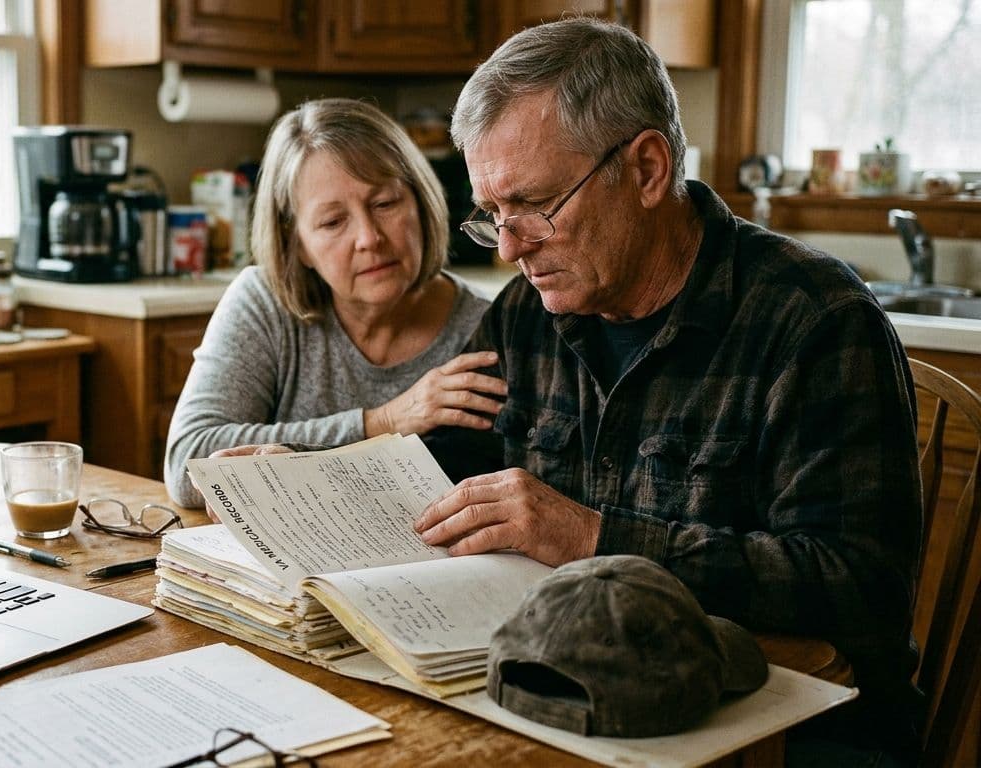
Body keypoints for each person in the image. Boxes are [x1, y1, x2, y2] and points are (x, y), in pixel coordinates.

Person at [407, 17, 922, 762]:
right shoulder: (528, 313)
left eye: (536, 205)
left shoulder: (813, 321)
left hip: (789, 730)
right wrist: (313, 480)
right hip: (569, 704)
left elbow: (855, 586)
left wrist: (590, 539)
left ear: (647, 169)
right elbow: (440, 476)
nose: (512, 248)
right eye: (494, 216)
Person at [162, 98, 505, 509]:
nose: (369, 238)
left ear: (421, 201)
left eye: (384, 204)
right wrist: (382, 422)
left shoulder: (489, 326)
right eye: (332, 222)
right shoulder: (263, 302)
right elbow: (189, 465)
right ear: (298, 244)